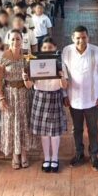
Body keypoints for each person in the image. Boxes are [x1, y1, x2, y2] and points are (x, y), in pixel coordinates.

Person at [62, 25, 98, 171]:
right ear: (72, 38)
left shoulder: (97, 51)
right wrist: (64, 95)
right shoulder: (66, 51)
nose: (81, 40)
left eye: (84, 37)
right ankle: (79, 153)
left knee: (93, 129)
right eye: (78, 38)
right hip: (74, 98)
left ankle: (94, 155)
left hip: (92, 98)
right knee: (77, 129)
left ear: (88, 37)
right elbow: (63, 75)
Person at [26, 37, 69, 173]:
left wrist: (61, 76)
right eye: (44, 48)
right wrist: (26, 77)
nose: (47, 50)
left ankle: (55, 158)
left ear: (55, 48)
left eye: (50, 47)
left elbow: (65, 85)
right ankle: (47, 158)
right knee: (44, 132)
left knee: (55, 132)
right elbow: (29, 86)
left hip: (55, 96)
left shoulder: (61, 64)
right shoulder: (35, 63)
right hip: (40, 97)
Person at [0, 29, 36, 169]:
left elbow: (33, 75)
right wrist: (0, 97)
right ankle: (15, 154)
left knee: (24, 122)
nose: (15, 42)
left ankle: (24, 153)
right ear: (9, 41)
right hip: (9, 94)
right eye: (13, 39)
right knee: (12, 123)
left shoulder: (27, 55)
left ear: (22, 40)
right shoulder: (4, 56)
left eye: (18, 39)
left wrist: (28, 79)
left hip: (24, 94)